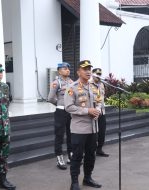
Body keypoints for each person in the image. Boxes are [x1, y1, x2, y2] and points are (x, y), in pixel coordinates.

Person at [64, 60, 102, 190]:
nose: (88, 71)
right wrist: (87, 111)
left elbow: (99, 102)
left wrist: (98, 111)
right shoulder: (72, 87)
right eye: (85, 69)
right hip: (79, 129)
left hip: (93, 128)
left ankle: (87, 178)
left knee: (91, 155)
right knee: (77, 156)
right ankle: (74, 182)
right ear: (78, 72)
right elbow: (68, 107)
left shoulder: (94, 87)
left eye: (89, 69)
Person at [48, 62, 73, 170]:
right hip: (61, 112)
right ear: (59, 71)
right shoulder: (56, 82)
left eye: (68, 68)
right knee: (59, 136)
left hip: (71, 112)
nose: (67, 70)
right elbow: (50, 98)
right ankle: (59, 158)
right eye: (64, 68)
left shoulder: (72, 82)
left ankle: (70, 156)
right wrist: (60, 105)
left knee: (71, 135)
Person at [91, 68, 109, 157]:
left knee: (102, 132)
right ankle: (91, 150)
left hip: (102, 111)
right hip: (93, 112)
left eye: (100, 74)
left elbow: (102, 97)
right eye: (97, 74)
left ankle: (99, 149)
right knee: (93, 133)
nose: (99, 76)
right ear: (92, 74)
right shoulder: (88, 84)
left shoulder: (102, 84)